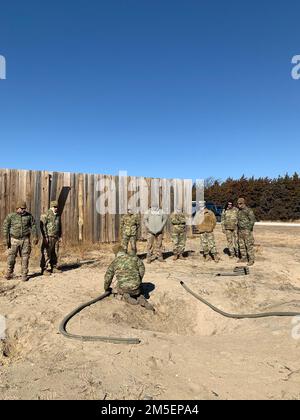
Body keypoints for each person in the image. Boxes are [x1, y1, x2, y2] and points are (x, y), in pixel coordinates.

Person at [104, 244, 153, 310]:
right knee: (137, 291)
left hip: (124, 289)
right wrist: (139, 279)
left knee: (119, 286)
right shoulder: (134, 258)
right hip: (137, 288)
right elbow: (142, 268)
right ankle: (143, 301)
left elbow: (108, 278)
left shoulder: (114, 262)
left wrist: (106, 288)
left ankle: (126, 297)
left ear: (115, 253)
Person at [2, 202, 38, 281]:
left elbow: (33, 226)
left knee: (25, 257)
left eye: (24, 208)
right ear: (17, 208)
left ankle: (24, 274)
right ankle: (9, 272)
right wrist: (5, 239)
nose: (23, 210)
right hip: (14, 239)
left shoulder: (29, 216)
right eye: (22, 208)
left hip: (25, 239)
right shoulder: (11, 216)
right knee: (11, 257)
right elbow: (5, 227)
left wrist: (35, 236)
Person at [40, 201, 62, 275]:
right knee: (46, 253)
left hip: (56, 237)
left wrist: (60, 236)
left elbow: (60, 226)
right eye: (54, 207)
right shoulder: (46, 214)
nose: (56, 208)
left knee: (55, 252)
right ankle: (44, 269)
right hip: (48, 237)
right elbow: (42, 226)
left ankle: (54, 267)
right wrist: (45, 236)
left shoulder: (58, 215)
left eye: (57, 207)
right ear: (51, 207)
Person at [237, 197, 256, 266]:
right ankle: (243, 257)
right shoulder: (239, 211)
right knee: (241, 245)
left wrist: (249, 229)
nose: (239, 205)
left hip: (247, 231)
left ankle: (251, 259)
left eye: (240, 203)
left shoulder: (248, 210)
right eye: (238, 203)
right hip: (240, 231)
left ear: (243, 203)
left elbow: (252, 220)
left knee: (249, 245)